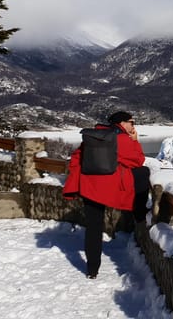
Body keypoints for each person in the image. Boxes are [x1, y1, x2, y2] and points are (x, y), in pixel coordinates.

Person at [62, 111, 150, 279]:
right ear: (122, 123)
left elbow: (76, 158)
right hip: (108, 188)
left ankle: (92, 270)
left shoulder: (93, 137)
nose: (134, 126)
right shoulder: (122, 138)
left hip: (89, 186)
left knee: (93, 227)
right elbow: (138, 160)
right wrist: (135, 140)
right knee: (143, 172)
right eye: (132, 122)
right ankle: (139, 214)